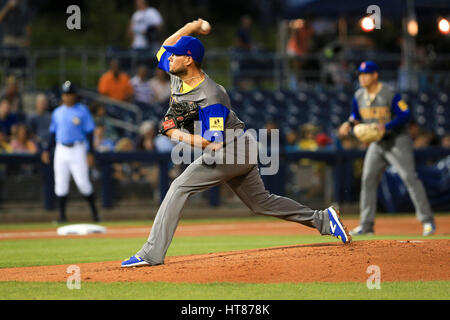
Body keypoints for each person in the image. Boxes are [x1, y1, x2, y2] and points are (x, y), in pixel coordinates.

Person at [121, 19, 352, 268]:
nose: (169, 59)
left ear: (188, 59)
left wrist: (174, 134)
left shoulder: (211, 96)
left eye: (175, 56)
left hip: (232, 150)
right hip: (239, 146)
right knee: (261, 202)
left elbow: (214, 144)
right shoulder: (178, 72)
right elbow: (165, 46)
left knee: (179, 187)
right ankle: (324, 220)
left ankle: (151, 253)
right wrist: (191, 26)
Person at [338, 61, 436, 237]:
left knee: (409, 178)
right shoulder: (359, 95)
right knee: (368, 178)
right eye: (360, 74)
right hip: (377, 144)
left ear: (375, 75)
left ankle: (427, 221)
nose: (362, 77)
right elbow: (355, 114)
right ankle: (366, 225)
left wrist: (387, 125)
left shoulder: (389, 93)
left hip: (397, 140)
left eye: (365, 74)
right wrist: (349, 123)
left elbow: (406, 115)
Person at [41, 81, 100, 223]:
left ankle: (95, 214)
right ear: (62, 96)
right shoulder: (57, 112)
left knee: (83, 183)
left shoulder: (82, 110)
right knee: (60, 183)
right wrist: (46, 150)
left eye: (70, 94)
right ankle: (62, 217)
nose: (68, 97)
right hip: (61, 149)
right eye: (66, 94)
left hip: (78, 148)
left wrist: (90, 153)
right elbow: (52, 134)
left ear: (75, 95)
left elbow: (90, 133)